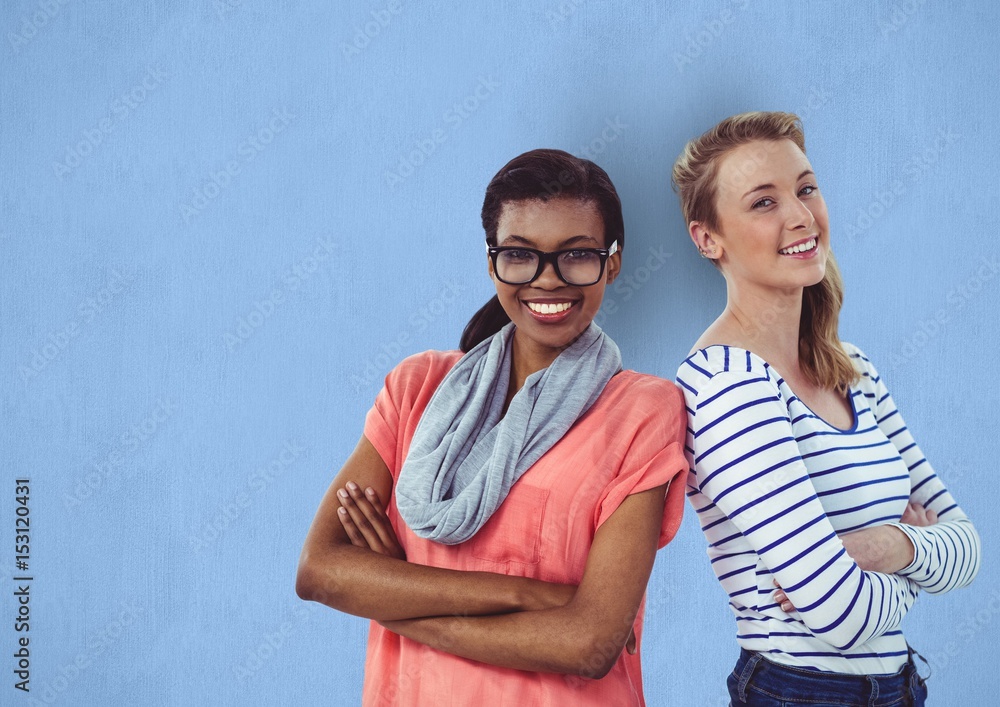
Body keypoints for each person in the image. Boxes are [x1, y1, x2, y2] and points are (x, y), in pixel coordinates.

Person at [296, 149, 688, 706]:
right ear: (491, 261)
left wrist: (394, 592)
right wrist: (530, 597)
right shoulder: (416, 390)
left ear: (614, 262)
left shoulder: (643, 411)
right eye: (520, 255)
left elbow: (589, 644)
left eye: (576, 256)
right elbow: (320, 570)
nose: (548, 281)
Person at [671, 112, 981, 706]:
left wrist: (884, 548)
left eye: (806, 188)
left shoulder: (852, 366)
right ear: (708, 239)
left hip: (899, 686)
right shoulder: (724, 381)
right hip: (802, 693)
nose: (801, 216)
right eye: (763, 203)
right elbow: (840, 614)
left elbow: (967, 547)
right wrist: (915, 558)